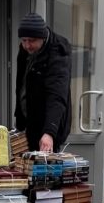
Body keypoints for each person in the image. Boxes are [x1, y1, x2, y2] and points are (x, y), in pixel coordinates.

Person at [14, 13, 71, 153]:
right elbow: (21, 84)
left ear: (43, 37)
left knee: (45, 169)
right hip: (29, 123)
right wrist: (20, 122)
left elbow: (57, 95)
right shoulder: (24, 50)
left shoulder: (58, 52)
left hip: (48, 125)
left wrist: (49, 133)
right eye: (24, 40)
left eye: (32, 40)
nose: (27, 45)